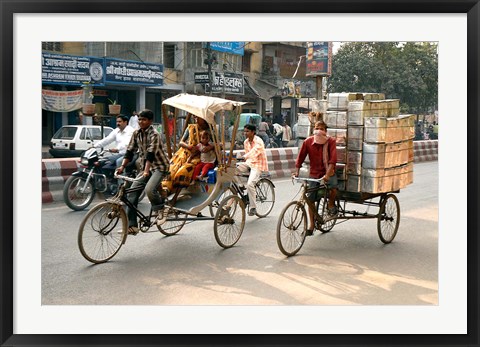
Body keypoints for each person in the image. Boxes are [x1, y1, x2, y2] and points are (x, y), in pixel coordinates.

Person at [116, 109, 169, 235]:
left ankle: (161, 209)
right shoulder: (136, 133)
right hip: (146, 168)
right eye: (139, 119)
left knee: (149, 190)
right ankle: (132, 226)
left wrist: (145, 171)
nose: (141, 122)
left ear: (150, 121)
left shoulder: (155, 134)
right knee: (132, 194)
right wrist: (122, 167)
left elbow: (151, 154)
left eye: (144, 119)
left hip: (160, 167)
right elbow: (130, 151)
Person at [294, 120, 338, 236]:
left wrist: (328, 175)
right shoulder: (308, 141)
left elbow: (333, 160)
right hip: (314, 173)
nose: (319, 131)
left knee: (333, 188)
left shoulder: (331, 141)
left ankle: (331, 204)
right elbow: (301, 157)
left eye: (321, 129)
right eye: (317, 128)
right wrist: (297, 171)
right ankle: (311, 225)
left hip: (328, 172)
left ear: (325, 131)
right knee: (310, 199)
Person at [235, 124, 268, 216]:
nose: (245, 133)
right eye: (244, 131)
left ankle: (253, 207)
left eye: (247, 131)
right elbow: (248, 154)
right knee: (233, 169)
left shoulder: (259, 141)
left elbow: (254, 152)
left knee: (250, 184)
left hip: (258, 164)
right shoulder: (246, 142)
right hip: (249, 163)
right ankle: (240, 185)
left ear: (253, 132)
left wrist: (244, 156)